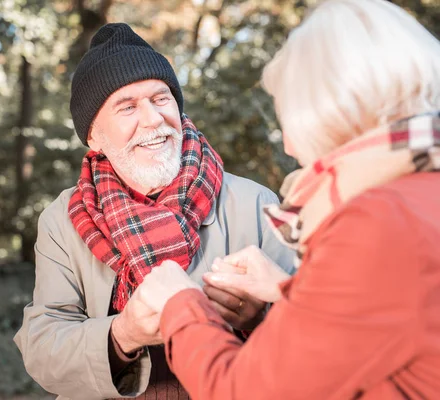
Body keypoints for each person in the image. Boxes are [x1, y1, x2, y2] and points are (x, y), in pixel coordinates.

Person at [133, 0, 440, 398]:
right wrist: (288, 291)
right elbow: (393, 317)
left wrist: (180, 303)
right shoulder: (420, 190)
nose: (292, 146)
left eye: (290, 119)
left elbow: (244, 391)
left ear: (330, 112)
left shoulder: (378, 220)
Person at [13, 23, 295, 399]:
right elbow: (42, 349)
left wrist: (260, 318)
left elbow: (316, 341)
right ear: (94, 136)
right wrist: (123, 334)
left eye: (161, 99)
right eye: (127, 107)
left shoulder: (257, 203)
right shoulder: (62, 220)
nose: (152, 119)